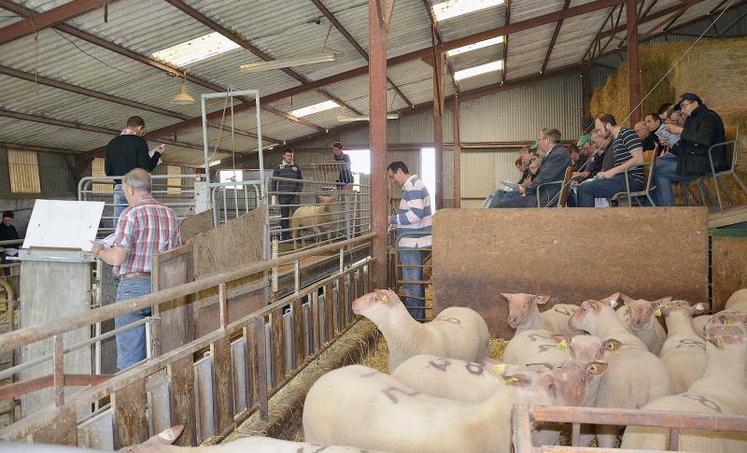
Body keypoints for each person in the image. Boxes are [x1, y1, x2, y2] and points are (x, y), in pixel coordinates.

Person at [92, 169, 181, 370]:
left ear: (131, 189)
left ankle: (134, 396)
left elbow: (117, 257)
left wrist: (98, 251)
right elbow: (175, 254)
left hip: (133, 287)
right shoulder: (170, 214)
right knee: (164, 347)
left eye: (124, 191)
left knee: (131, 356)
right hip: (164, 284)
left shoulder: (130, 214)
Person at [653, 93, 727, 206]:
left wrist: (679, 130)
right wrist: (671, 145)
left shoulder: (709, 117)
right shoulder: (692, 119)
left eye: (684, 106)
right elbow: (687, 143)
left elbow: (703, 139)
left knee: (661, 173)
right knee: (652, 164)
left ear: (695, 103)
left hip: (707, 162)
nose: (682, 110)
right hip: (693, 159)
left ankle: (668, 213)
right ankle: (654, 209)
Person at [387, 161, 431, 321]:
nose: (393, 181)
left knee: (412, 286)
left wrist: (391, 219)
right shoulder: (415, 185)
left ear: (399, 171)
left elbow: (416, 214)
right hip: (415, 240)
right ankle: (419, 320)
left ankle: (414, 324)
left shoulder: (412, 186)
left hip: (412, 243)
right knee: (415, 284)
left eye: (392, 177)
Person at [105, 116, 165, 223]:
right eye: (143, 131)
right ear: (139, 127)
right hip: (137, 187)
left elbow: (108, 172)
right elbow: (146, 167)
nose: (143, 133)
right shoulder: (139, 142)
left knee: (119, 222)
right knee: (138, 220)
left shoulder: (112, 143)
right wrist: (157, 154)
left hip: (120, 187)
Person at [576, 113, 643, 207]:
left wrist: (612, 171)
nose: (599, 133)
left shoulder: (627, 133)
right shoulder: (616, 139)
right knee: (584, 186)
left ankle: (588, 221)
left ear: (608, 125)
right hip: (622, 178)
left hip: (632, 179)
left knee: (585, 189)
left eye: (599, 130)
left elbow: (639, 159)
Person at [496, 128, 570, 208]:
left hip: (545, 198)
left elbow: (544, 178)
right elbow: (545, 176)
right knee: (504, 199)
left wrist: (526, 191)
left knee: (501, 206)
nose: (539, 142)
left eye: (540, 139)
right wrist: (534, 174)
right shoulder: (557, 153)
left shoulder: (558, 154)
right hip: (543, 194)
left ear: (547, 140)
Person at [272, 148, 303, 241]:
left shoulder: (296, 167)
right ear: (284, 156)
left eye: (291, 156)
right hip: (283, 195)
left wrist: (299, 190)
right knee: (284, 216)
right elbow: (274, 181)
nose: (290, 158)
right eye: (288, 155)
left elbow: (301, 180)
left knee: (297, 215)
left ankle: (297, 236)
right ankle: (286, 237)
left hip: (294, 196)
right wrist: (273, 194)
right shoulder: (279, 167)